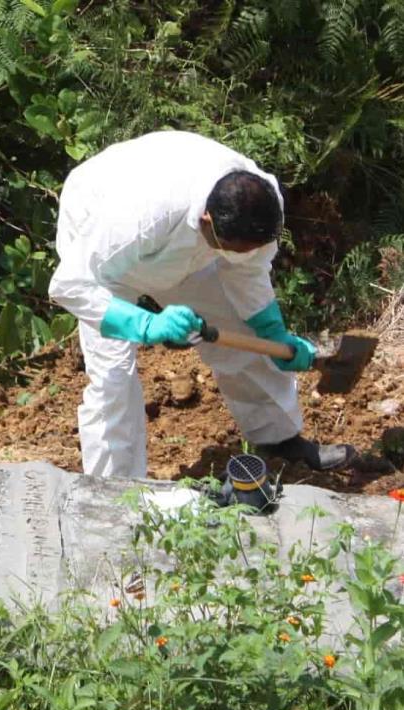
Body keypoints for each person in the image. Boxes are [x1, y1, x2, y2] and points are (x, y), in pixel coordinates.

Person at [48, 131, 354, 479]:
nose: (240, 255)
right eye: (231, 248)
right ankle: (113, 489)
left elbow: (249, 269)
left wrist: (272, 331)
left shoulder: (260, 204)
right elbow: (70, 285)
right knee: (113, 378)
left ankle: (279, 441)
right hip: (102, 262)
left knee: (243, 328)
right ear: (207, 221)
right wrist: (148, 325)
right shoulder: (136, 216)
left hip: (186, 251)